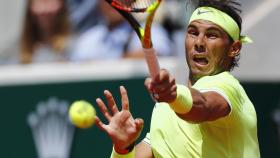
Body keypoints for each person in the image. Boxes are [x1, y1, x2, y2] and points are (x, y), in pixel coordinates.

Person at [94, 0, 260, 158]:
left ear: (234, 49)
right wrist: (123, 148)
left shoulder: (228, 87)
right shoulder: (165, 110)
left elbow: (204, 105)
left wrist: (173, 96)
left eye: (212, 35)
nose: (199, 42)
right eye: (193, 33)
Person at [69, 0, 173, 61]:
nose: (113, 3)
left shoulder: (154, 32)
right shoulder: (87, 39)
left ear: (132, 1)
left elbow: (156, 54)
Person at [0, 0, 74, 64]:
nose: (45, 10)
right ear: (30, 7)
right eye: (41, 2)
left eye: (51, 1)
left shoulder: (75, 48)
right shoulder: (14, 52)